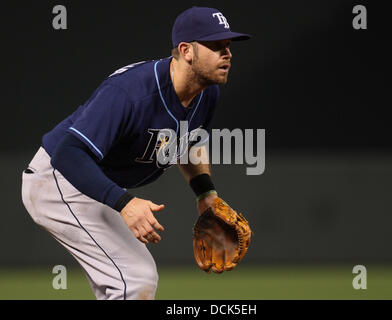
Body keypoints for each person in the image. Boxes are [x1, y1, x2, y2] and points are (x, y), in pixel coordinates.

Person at [21, 6, 250, 300]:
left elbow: (189, 142)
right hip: (57, 181)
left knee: (128, 280)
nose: (227, 54)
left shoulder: (207, 93)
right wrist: (125, 204)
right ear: (186, 51)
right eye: (216, 46)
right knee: (134, 278)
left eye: (228, 46)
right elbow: (68, 153)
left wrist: (205, 194)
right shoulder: (131, 92)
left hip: (94, 184)